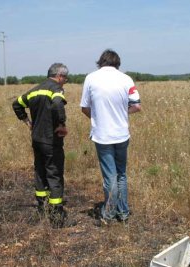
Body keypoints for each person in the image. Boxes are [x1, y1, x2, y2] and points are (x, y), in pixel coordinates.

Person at [80, 49, 141, 224]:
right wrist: (122, 113)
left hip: (102, 136)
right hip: (122, 134)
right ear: (117, 63)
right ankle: (123, 213)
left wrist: (96, 118)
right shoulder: (126, 79)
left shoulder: (91, 78)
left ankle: (108, 214)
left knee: (110, 177)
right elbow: (137, 106)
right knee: (121, 174)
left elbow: (84, 107)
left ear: (101, 62)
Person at [12, 63, 72, 228]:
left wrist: (28, 122)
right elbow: (58, 104)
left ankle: (41, 209)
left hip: (36, 140)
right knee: (54, 174)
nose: (65, 81)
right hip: (51, 141)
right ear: (59, 76)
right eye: (65, 78)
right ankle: (56, 216)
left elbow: (16, 104)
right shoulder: (56, 89)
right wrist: (61, 124)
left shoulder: (34, 90)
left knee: (40, 172)